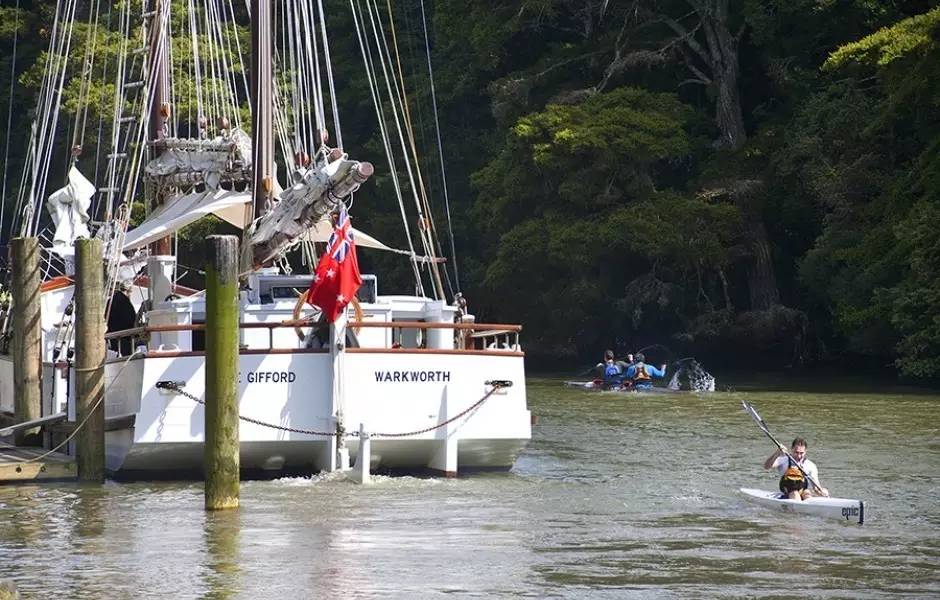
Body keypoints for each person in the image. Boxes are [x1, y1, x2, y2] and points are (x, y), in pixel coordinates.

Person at [763, 438, 829, 500]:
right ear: (791, 449)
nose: (799, 456)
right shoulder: (783, 460)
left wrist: (822, 492)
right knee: (795, 494)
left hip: (803, 490)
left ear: (805, 451)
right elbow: (766, 466)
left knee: (807, 494)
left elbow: (815, 488)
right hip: (788, 491)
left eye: (801, 453)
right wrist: (777, 453)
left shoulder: (811, 465)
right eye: (796, 452)